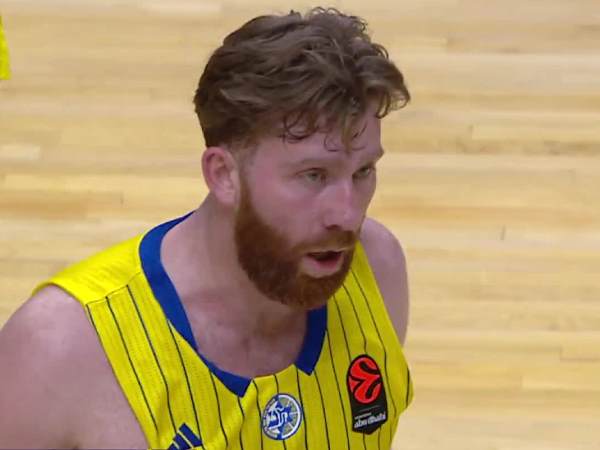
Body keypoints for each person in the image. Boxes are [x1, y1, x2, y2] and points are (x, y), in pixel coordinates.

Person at [0, 7, 413, 449]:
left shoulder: (377, 269)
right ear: (223, 174)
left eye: (363, 171)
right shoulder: (60, 347)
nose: (347, 215)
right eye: (313, 175)